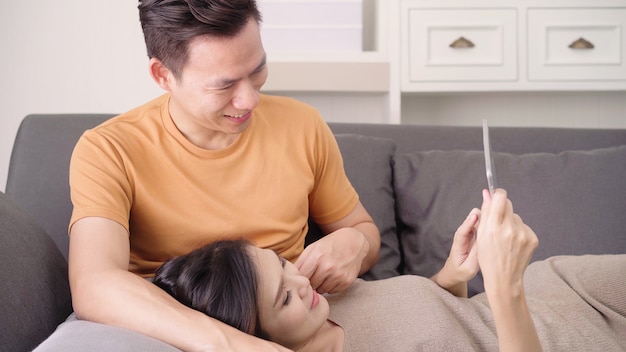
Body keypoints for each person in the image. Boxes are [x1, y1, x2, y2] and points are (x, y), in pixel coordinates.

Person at [67, 1, 380, 351]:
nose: (249, 100)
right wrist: (233, 345)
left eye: (257, 70)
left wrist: (356, 243)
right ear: (163, 75)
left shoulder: (302, 126)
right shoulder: (109, 149)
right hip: (166, 332)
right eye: (223, 85)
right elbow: (93, 283)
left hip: (291, 325)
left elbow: (363, 231)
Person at [154, 189, 626, 352]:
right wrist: (504, 289)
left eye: (282, 264)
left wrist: (452, 278)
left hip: (563, 286)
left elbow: (440, 328)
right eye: (283, 297)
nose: (302, 281)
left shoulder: (325, 299)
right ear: (256, 339)